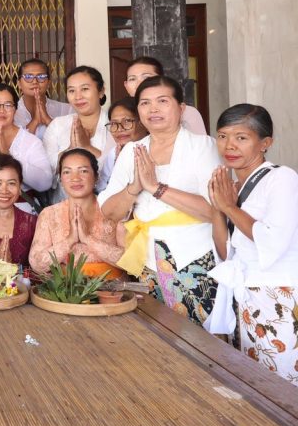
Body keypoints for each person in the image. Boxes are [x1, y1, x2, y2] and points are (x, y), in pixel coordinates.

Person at [98, 76, 223, 325]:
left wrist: (156, 188)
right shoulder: (132, 151)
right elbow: (110, 212)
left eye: (162, 101)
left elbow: (215, 210)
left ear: (181, 108)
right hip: (147, 259)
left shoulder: (202, 146)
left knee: (200, 334)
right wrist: (134, 188)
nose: (153, 109)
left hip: (195, 255)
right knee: (156, 333)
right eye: (145, 103)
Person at [205, 105, 298, 386]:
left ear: (265, 143)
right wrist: (217, 207)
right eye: (222, 136)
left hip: (278, 296)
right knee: (254, 381)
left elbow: (272, 239)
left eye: (241, 138)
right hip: (245, 297)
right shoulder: (234, 186)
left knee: (281, 382)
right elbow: (226, 253)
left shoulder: (282, 178)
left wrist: (230, 208)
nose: (229, 145)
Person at [29, 149, 125, 277]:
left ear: (96, 176)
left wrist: (88, 239)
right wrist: (70, 240)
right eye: (67, 172)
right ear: (61, 179)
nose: (75, 178)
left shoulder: (116, 209)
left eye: (83, 171)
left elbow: (131, 261)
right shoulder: (49, 214)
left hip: (114, 287)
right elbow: (36, 264)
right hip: (65, 288)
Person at [42, 66, 116, 201]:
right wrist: (70, 149)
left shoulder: (114, 125)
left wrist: (87, 147)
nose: (78, 97)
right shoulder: (58, 125)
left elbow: (116, 169)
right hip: (63, 204)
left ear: (101, 91)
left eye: (85, 89)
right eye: (71, 91)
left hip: (106, 204)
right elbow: (46, 172)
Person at [0, 83, 51, 201]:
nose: (2, 110)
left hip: (21, 206)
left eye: (8, 105)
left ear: (15, 110)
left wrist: (9, 156)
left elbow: (45, 183)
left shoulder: (30, 141)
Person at [123, 56, 205, 133]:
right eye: (132, 79)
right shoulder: (120, 115)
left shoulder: (186, 112)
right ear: (126, 86)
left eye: (147, 77)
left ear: (161, 79)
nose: (139, 83)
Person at [13, 59, 72, 139]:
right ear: (19, 83)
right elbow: (14, 144)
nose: (35, 81)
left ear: (48, 83)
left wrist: (47, 119)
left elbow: (70, 141)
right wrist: (35, 121)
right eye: (28, 77)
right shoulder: (11, 112)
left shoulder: (66, 110)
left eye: (41, 77)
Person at [99, 97, 149, 189]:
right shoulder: (113, 154)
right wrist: (117, 166)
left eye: (126, 121)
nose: (119, 129)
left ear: (143, 122)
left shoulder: (156, 149)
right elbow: (102, 189)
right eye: (113, 124)